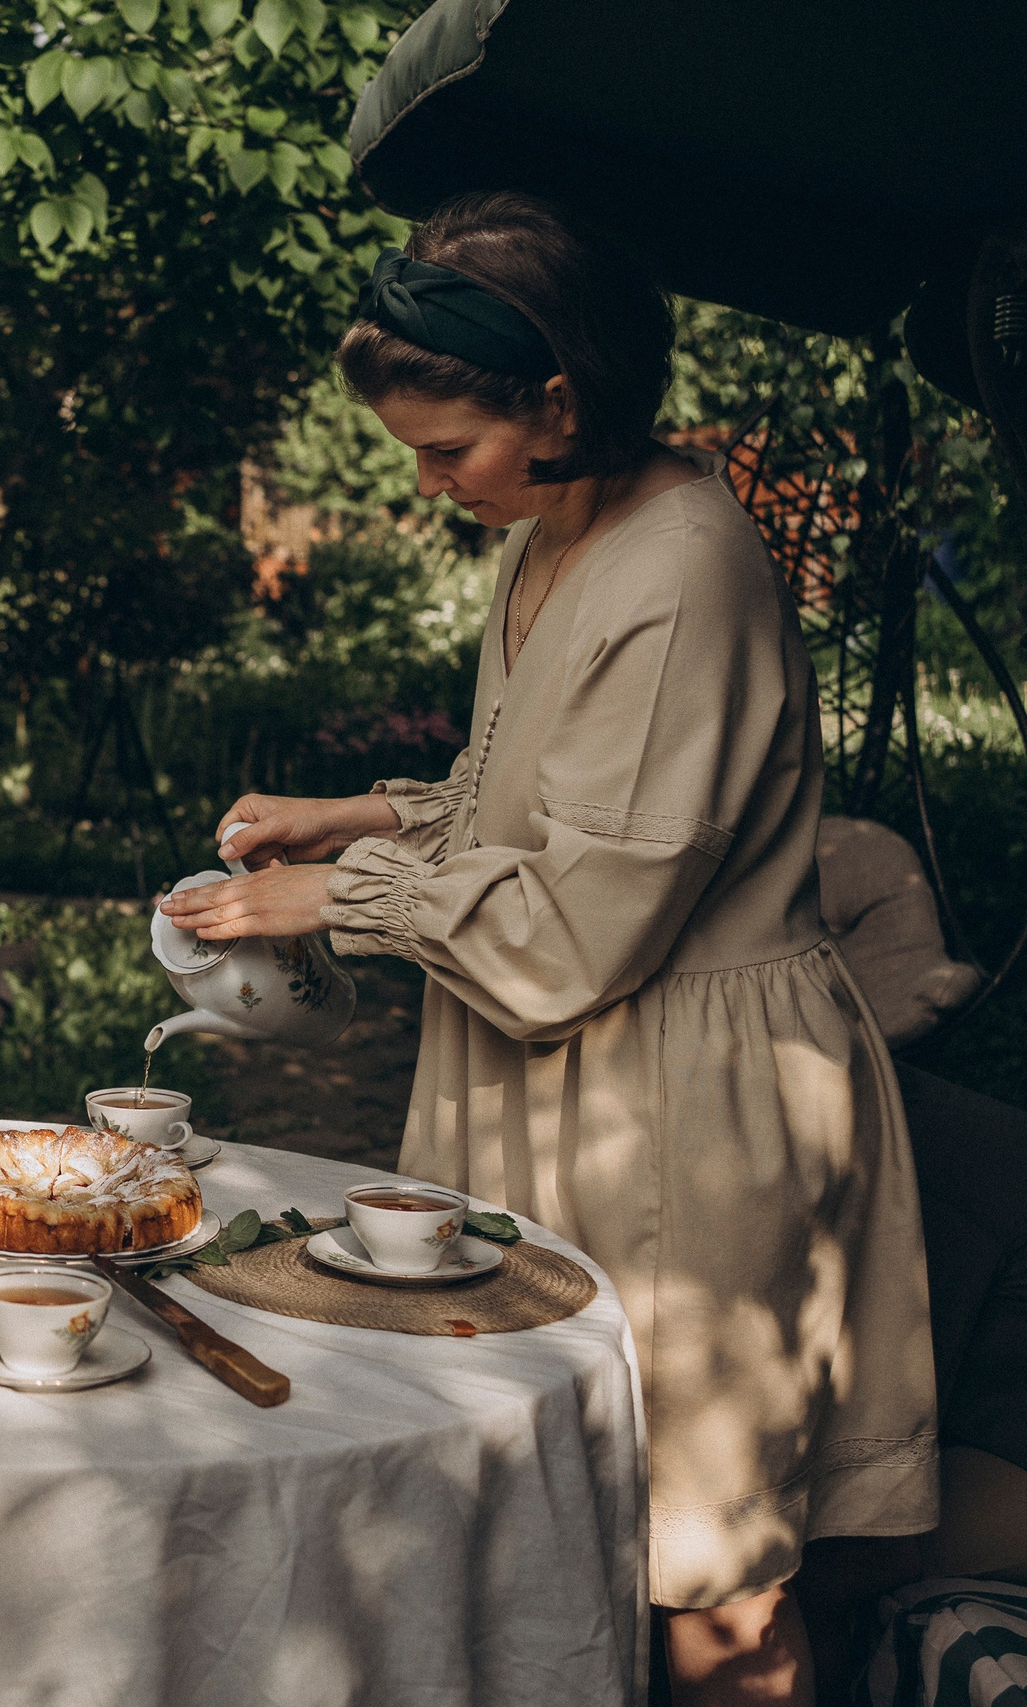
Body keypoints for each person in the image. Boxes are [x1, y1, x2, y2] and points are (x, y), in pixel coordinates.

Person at [161, 193, 936, 1707]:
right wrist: (353, 814)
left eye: (449, 450)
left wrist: (342, 901)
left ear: (559, 400)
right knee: (549, 1507)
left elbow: (586, 915)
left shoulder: (685, 564)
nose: (435, 481)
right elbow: (536, 794)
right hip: (556, 1070)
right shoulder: (559, 528)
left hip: (681, 1104)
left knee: (704, 1559)